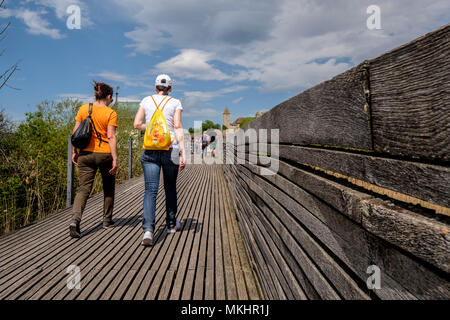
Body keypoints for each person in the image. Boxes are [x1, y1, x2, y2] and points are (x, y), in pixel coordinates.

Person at [134, 74, 186, 246]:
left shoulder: (146, 101)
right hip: (170, 149)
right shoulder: (175, 102)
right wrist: (183, 153)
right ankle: (171, 225)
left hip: (150, 149)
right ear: (170, 88)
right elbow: (177, 126)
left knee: (150, 190)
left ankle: (148, 230)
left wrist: (150, 127)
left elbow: (136, 124)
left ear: (155, 87)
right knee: (170, 187)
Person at [70, 81, 118, 238]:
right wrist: (115, 159)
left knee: (83, 189)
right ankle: (107, 220)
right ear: (109, 96)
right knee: (108, 188)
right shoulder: (110, 113)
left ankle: (75, 221)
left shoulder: (84, 109)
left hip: (85, 155)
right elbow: (111, 136)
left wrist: (74, 151)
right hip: (104, 154)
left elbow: (75, 132)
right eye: (111, 98)